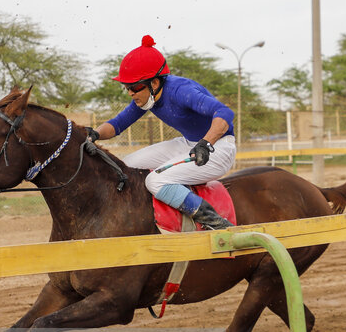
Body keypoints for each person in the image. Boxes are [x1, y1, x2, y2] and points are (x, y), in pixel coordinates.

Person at [86, 35, 237, 230]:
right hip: (189, 143)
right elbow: (118, 124)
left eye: (134, 87)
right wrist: (94, 134)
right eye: (127, 87)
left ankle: (215, 222)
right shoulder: (148, 96)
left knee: (155, 181)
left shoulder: (181, 91)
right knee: (124, 166)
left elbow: (225, 113)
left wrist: (206, 143)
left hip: (218, 147)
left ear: (154, 83)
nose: (130, 92)